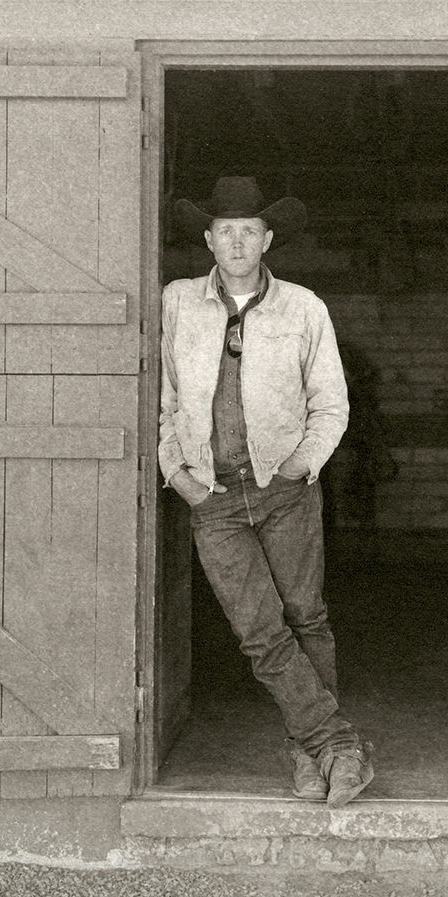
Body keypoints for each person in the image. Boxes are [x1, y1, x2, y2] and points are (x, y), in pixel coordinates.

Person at [159, 176, 373, 808]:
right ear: (207, 238)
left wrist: (297, 469)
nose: (236, 241)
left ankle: (307, 753)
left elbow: (330, 405)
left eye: (248, 230)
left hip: (285, 490)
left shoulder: (303, 308)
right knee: (260, 634)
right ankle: (337, 748)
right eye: (225, 230)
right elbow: (161, 399)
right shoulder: (177, 302)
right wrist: (179, 478)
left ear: (267, 238)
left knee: (306, 618)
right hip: (213, 498)